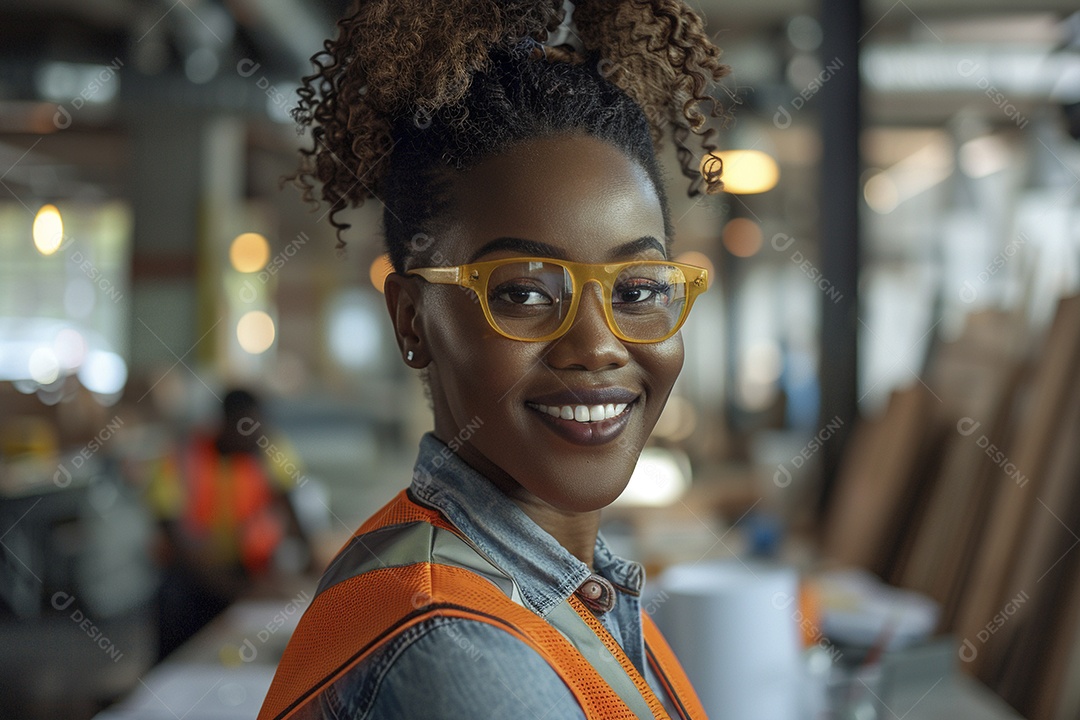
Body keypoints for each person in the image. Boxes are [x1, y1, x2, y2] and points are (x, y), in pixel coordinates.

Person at [260, 1, 729, 718]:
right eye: (525, 293)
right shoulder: (459, 657)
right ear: (412, 319)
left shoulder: (556, 586)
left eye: (637, 288)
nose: (599, 343)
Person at [148, 388, 310, 660]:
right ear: (224, 423)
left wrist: (305, 563)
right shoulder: (183, 457)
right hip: (193, 580)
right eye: (246, 428)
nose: (256, 438)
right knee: (183, 656)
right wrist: (238, 591)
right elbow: (176, 540)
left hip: (248, 571)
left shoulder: (268, 451)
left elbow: (291, 508)